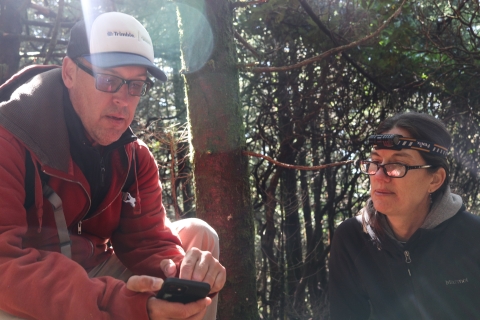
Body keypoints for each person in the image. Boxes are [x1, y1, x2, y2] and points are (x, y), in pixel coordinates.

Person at [0, 12, 225, 320]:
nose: (123, 99)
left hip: (94, 272)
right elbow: (4, 265)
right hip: (30, 282)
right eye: (108, 80)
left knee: (200, 237)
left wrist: (183, 273)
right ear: (68, 72)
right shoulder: (9, 140)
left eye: (135, 86)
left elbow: (146, 241)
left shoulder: (133, 156)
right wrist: (120, 303)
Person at [328, 112, 480, 319]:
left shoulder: (472, 236)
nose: (380, 176)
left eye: (397, 165)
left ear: (435, 179)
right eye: (375, 162)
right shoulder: (352, 238)